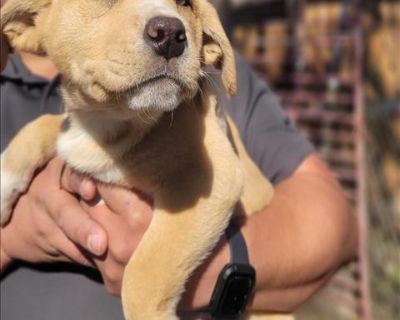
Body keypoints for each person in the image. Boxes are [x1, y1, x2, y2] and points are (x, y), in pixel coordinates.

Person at [0, 8, 357, 320]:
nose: (168, 24)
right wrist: (11, 236)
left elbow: (338, 227)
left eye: (182, 2)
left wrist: (207, 273)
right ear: (27, 21)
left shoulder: (205, 84)